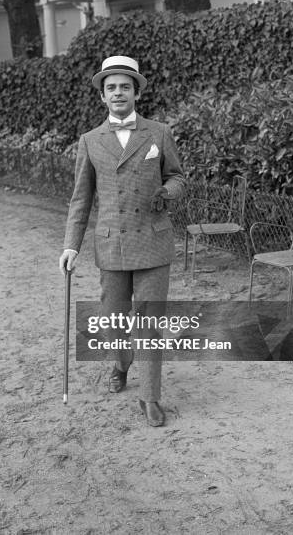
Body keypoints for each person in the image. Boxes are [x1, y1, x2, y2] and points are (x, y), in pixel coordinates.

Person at [59, 56, 186, 426]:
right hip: (111, 244)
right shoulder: (89, 141)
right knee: (112, 318)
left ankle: (150, 397)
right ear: (103, 96)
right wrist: (71, 245)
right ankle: (120, 364)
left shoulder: (159, 133)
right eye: (111, 87)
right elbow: (81, 199)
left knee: (148, 321)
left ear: (136, 93)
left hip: (153, 241)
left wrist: (167, 190)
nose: (118, 93)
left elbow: (179, 176)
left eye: (125, 87)